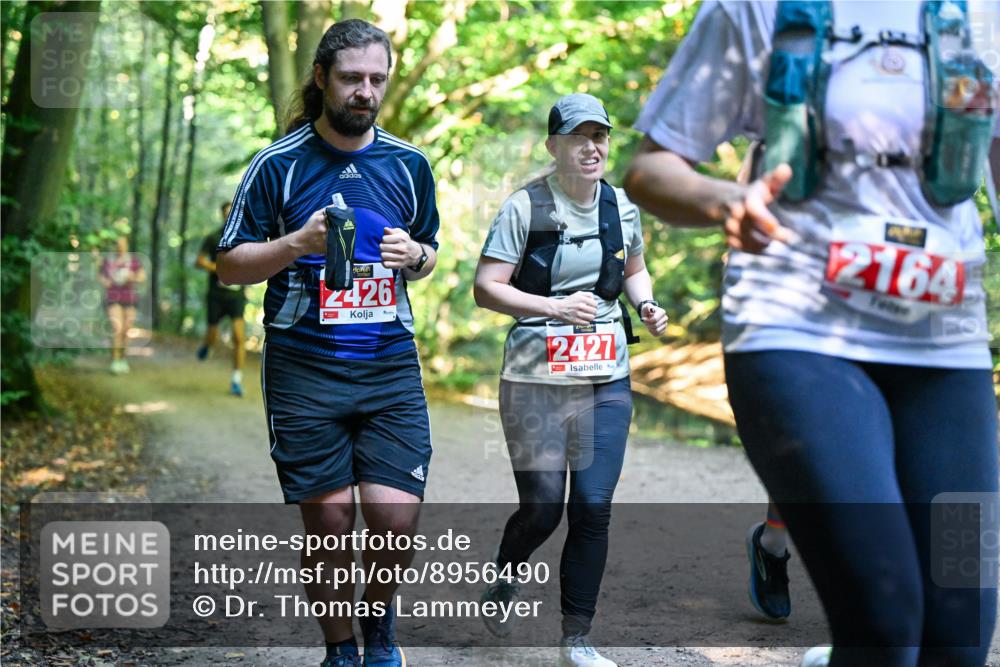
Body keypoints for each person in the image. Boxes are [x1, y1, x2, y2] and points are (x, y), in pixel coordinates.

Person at [625, 2, 998, 666]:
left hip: (946, 339)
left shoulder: (986, 15)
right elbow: (651, 169)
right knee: (883, 616)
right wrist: (726, 200)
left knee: (962, 630)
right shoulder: (754, 8)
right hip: (796, 328)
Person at [216, 19, 439, 667]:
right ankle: (341, 649)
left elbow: (429, 253)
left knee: (394, 521)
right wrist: (295, 243)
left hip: (388, 366)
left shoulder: (409, 165)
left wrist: (415, 256)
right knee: (331, 524)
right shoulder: (278, 165)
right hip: (303, 370)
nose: (365, 91)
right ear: (321, 78)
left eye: (377, 79)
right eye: (351, 78)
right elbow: (229, 264)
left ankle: (379, 624)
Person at [474, 93, 668, 667]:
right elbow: (487, 288)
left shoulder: (621, 206)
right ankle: (506, 573)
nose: (591, 147)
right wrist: (554, 308)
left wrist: (647, 304)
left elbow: (634, 269)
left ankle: (576, 639)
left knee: (592, 506)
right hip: (534, 379)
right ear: (553, 146)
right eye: (578, 138)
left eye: (599, 136)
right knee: (542, 508)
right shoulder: (524, 208)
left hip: (605, 376)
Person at [195, 202, 248, 397]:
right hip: (216, 295)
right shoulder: (213, 237)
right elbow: (199, 262)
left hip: (236, 295)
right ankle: (207, 345)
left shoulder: (245, 236)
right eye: (227, 214)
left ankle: (236, 380)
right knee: (213, 334)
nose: (230, 216)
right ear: (222, 216)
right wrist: (218, 268)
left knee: (239, 337)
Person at [98, 236, 145, 374]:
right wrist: (105, 281)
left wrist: (132, 277)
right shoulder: (108, 261)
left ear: (127, 245)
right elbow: (100, 276)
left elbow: (142, 277)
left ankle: (123, 359)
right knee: (117, 328)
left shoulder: (133, 261)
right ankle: (115, 360)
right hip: (113, 298)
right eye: (118, 245)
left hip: (129, 298)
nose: (120, 247)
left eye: (122, 244)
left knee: (126, 330)